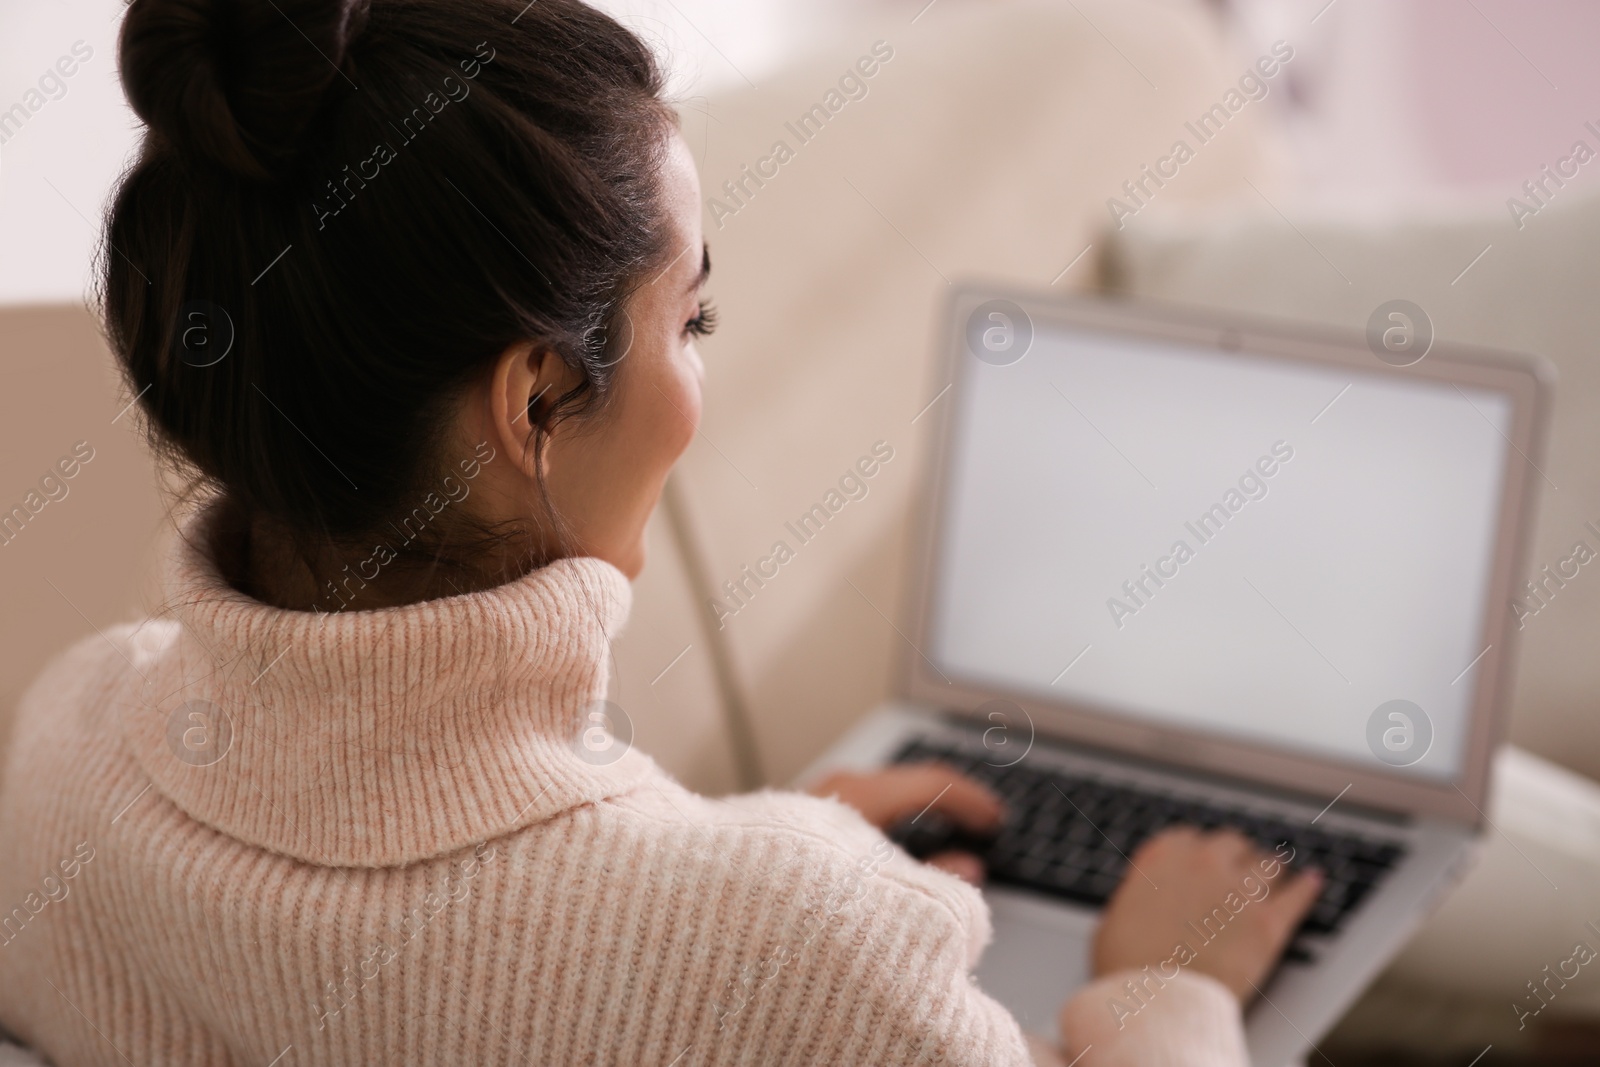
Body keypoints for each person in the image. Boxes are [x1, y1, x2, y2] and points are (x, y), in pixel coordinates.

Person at [0, 0, 1322, 1063]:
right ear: (536, 402)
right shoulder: (810, 955)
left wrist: (745, 867)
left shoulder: (64, 745)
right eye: (691, 321)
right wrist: (1169, 986)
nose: (700, 381)